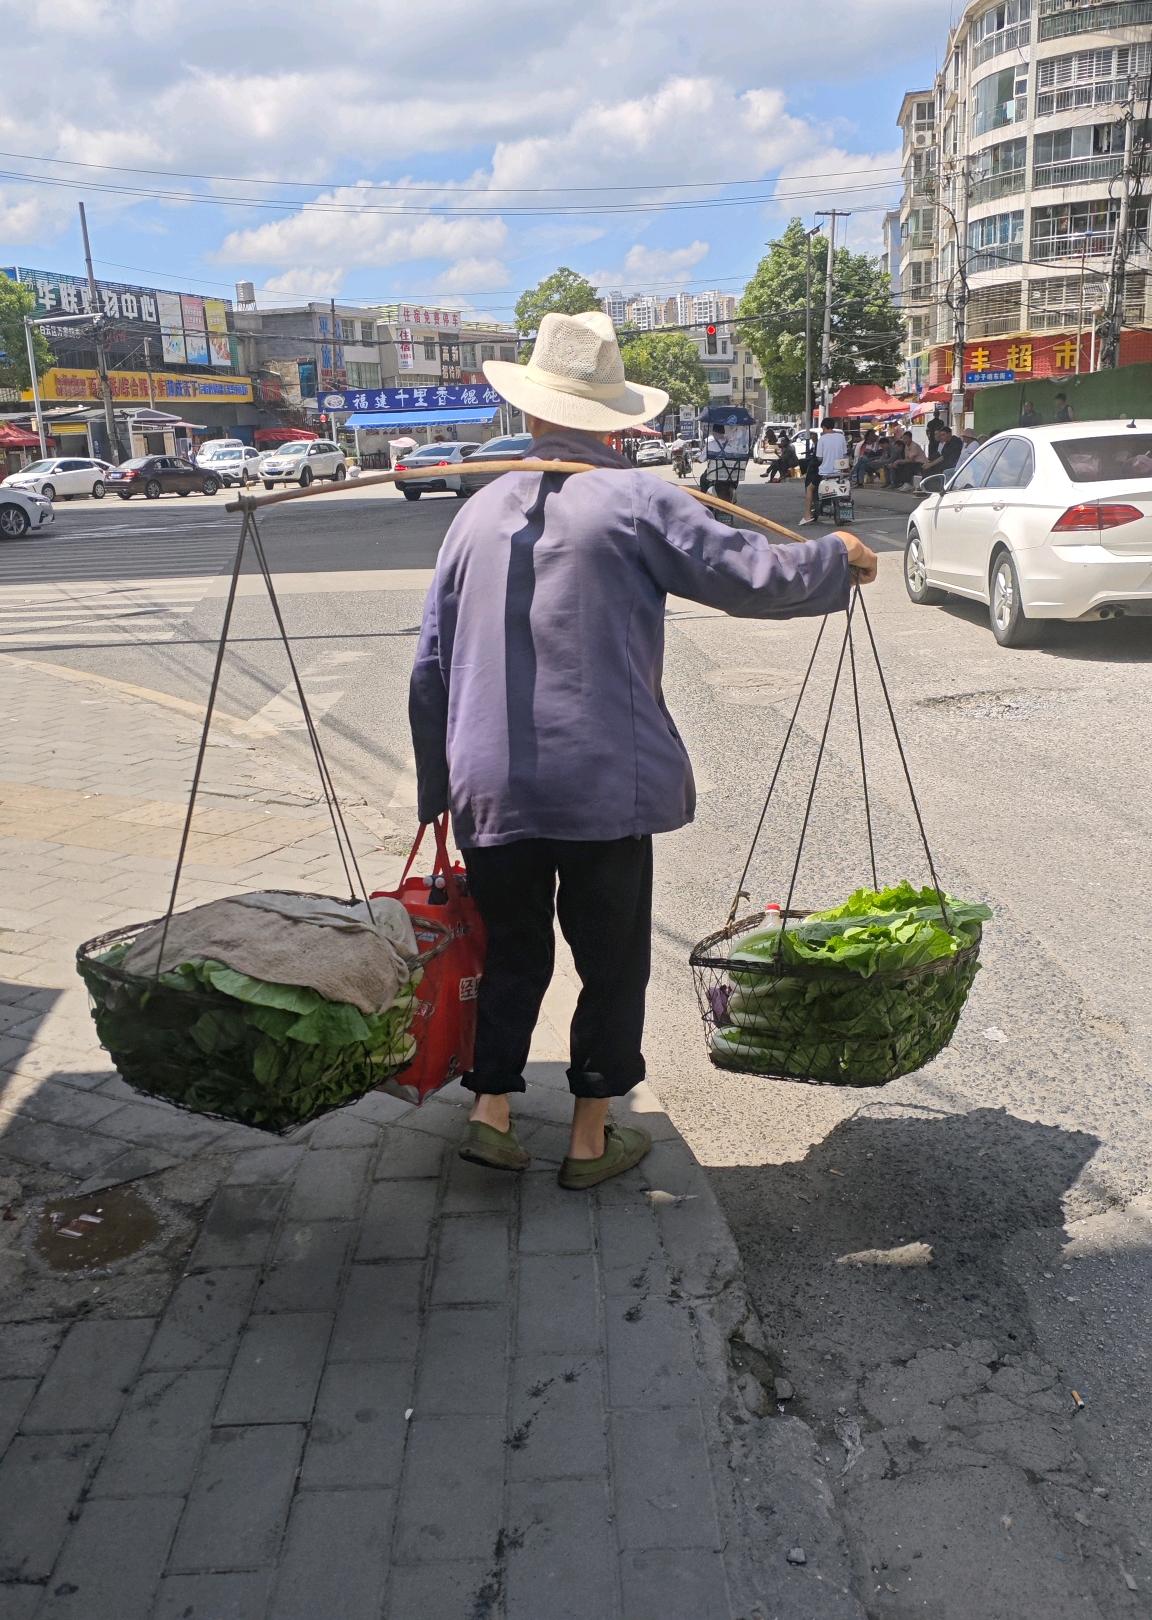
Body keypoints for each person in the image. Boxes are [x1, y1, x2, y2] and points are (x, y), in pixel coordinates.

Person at [409, 312, 877, 1189]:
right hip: (599, 790)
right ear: (615, 421)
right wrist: (833, 559)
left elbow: (430, 664)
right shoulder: (637, 498)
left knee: (511, 952)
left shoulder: (471, 517)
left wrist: (440, 789)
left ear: (535, 410)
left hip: (490, 789)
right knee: (610, 963)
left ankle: (492, 1110)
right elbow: (746, 573)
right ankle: (589, 1139)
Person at [800, 417, 849, 525]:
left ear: (823, 427)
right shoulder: (841, 437)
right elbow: (845, 454)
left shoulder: (822, 439)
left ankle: (807, 515)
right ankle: (845, 514)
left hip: (825, 472)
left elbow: (819, 458)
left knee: (809, 489)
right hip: (839, 472)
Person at [702, 421, 739, 504]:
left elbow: (701, 459)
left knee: (702, 479)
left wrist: (697, 459)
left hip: (714, 474)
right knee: (735, 481)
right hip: (730, 475)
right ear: (723, 432)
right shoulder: (731, 444)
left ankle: (705, 503)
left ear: (714, 433)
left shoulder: (710, 444)